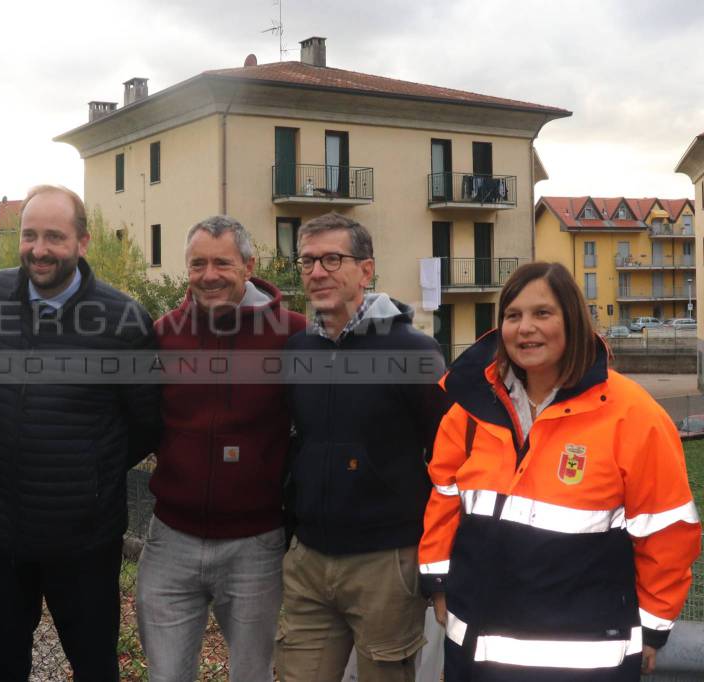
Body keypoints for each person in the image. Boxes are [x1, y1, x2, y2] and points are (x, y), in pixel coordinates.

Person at [419, 261, 702, 681]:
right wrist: (438, 585)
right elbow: (443, 498)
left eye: (542, 313)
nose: (525, 327)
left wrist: (653, 627)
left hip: (584, 659)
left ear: (572, 319)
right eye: (513, 316)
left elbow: (666, 529)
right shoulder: (468, 413)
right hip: (474, 654)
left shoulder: (633, 415)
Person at [0, 185, 161, 680]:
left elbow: (148, 421)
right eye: (29, 235)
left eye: (54, 236)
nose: (39, 249)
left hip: (85, 541)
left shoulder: (122, 319)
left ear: (83, 242)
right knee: (1, 667)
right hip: (0, 534)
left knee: (93, 666)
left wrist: (90, 470)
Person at [277, 212, 450, 681]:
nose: (317, 272)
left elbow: (450, 458)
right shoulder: (297, 353)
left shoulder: (413, 351)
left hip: (385, 562)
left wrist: (438, 560)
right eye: (308, 261)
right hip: (309, 559)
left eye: (332, 259)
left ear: (366, 270)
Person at [137, 216, 306, 681]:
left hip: (256, 545)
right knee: (166, 675)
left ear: (248, 266)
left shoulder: (292, 334)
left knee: (253, 675)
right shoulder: (163, 335)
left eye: (221, 263)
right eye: (197, 264)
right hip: (171, 538)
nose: (208, 275)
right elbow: (138, 421)